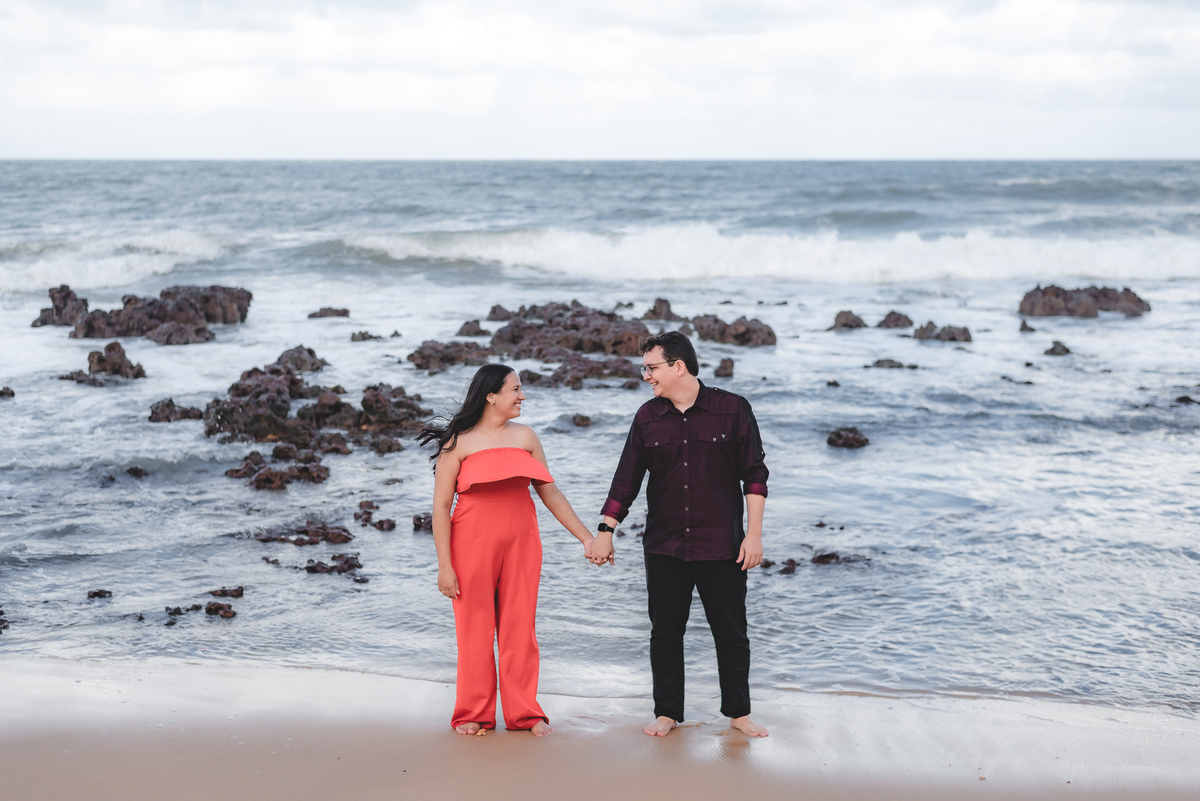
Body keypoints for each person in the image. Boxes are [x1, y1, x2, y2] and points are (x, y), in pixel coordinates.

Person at [590, 331, 770, 738]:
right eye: (644, 368)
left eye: (651, 368)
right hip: (665, 544)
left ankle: (738, 714)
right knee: (666, 633)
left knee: (732, 633)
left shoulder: (733, 409)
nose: (646, 376)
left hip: (722, 544)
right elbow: (626, 481)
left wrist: (753, 535)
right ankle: (667, 712)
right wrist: (605, 531)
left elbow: (755, 476)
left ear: (678, 367)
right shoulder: (647, 417)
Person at [419, 363, 598, 737]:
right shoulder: (458, 440)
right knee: (475, 631)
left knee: (520, 629)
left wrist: (586, 538)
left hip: (523, 542)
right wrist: (444, 566)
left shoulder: (527, 436)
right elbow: (440, 507)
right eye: (515, 389)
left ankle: (525, 714)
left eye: (521, 389)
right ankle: (473, 713)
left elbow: (550, 492)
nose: (522, 396)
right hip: (470, 544)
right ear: (491, 395)